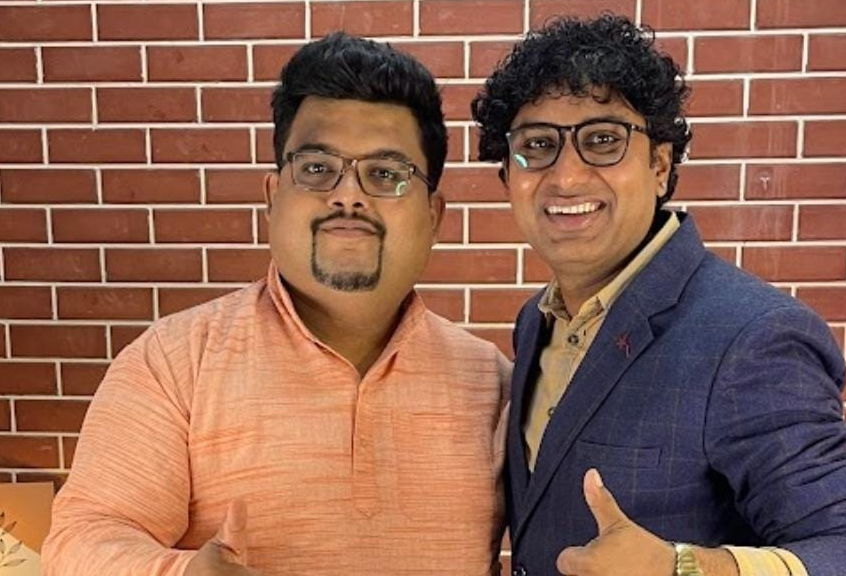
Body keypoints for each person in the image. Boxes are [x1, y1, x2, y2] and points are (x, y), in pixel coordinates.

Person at [42, 32, 510, 576]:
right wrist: (183, 574)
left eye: (386, 174)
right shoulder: (174, 363)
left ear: (433, 216)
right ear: (272, 198)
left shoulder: (493, 384)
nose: (348, 195)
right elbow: (80, 542)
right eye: (317, 168)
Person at [471, 14, 846, 576]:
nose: (566, 177)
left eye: (602, 140)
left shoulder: (752, 338)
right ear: (508, 177)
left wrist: (685, 567)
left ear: (659, 164)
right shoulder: (537, 319)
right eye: (538, 145)